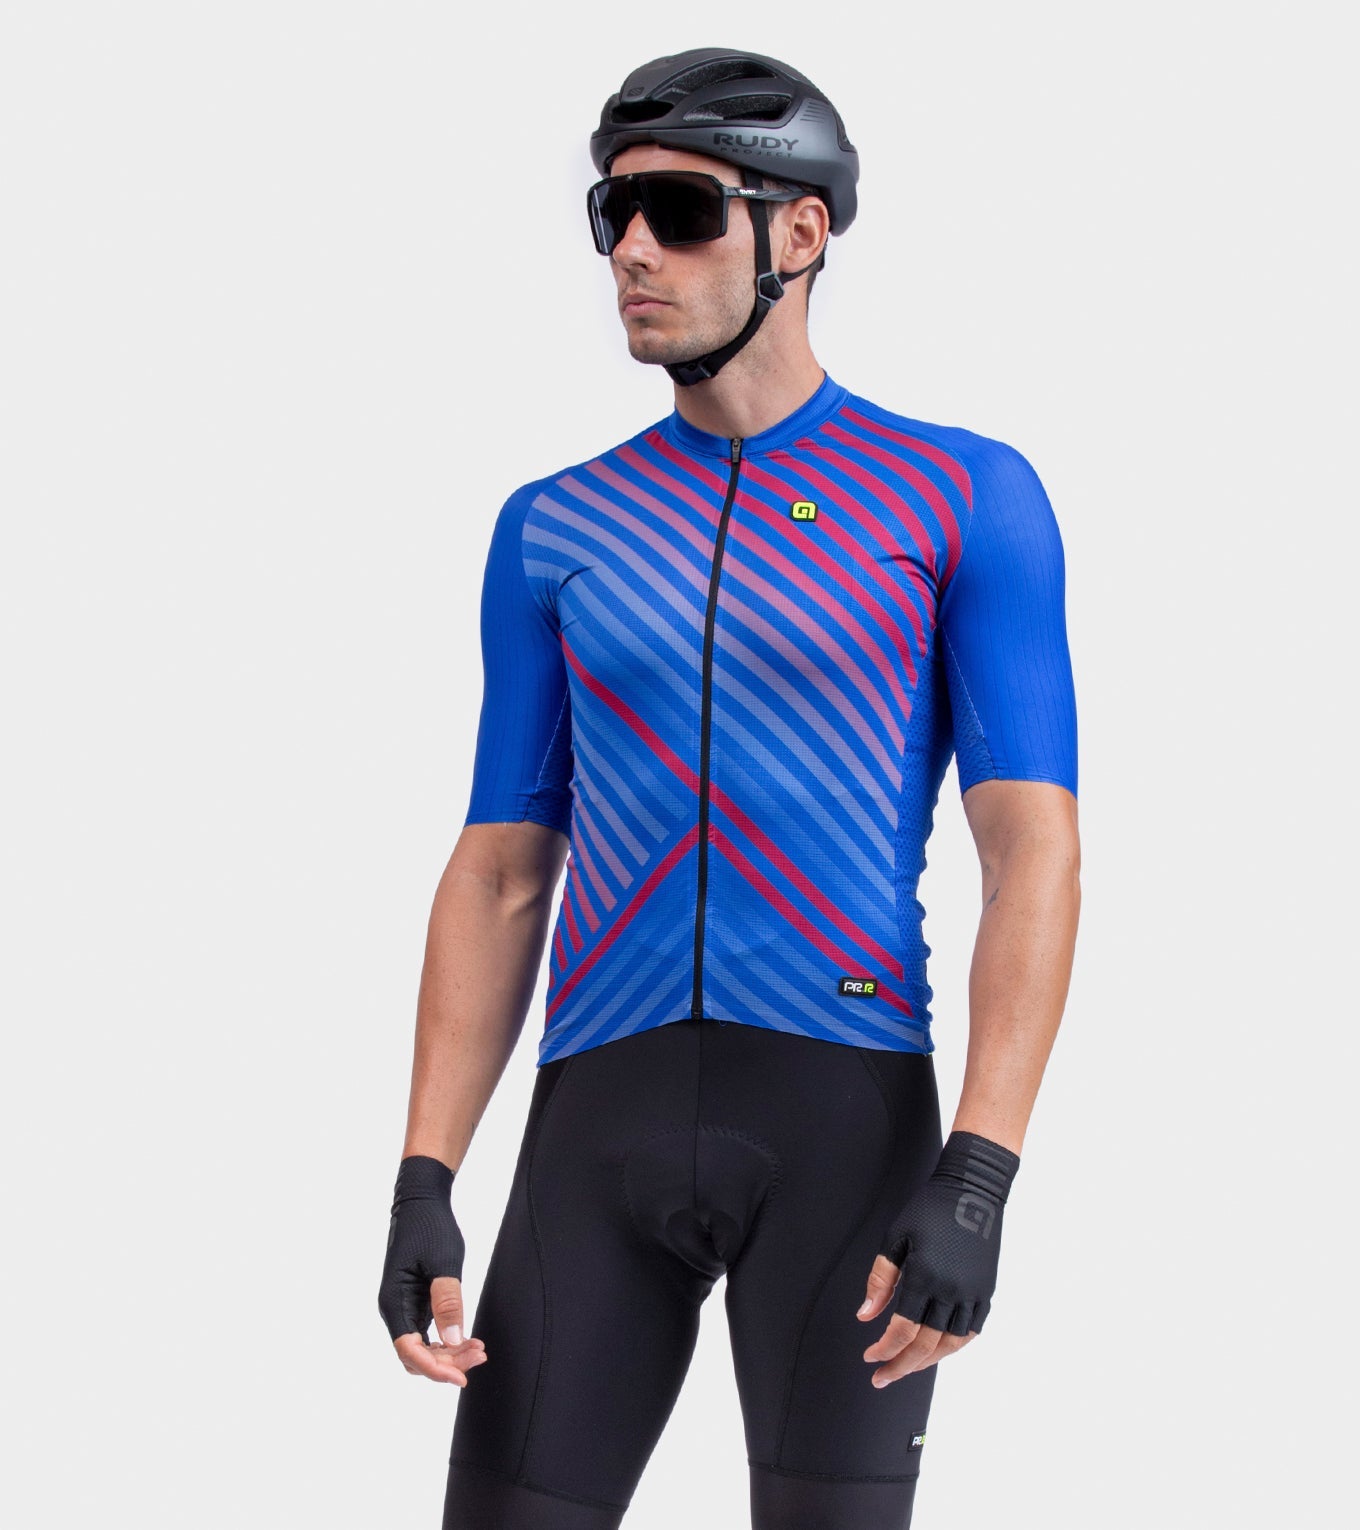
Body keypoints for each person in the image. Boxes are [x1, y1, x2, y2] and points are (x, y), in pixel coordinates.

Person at [378, 46, 1080, 1530]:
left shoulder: (961, 497)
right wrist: (424, 1175)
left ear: (800, 233)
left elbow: (1033, 851)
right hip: (597, 1116)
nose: (633, 250)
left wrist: (980, 1173)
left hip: (843, 1117)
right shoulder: (555, 526)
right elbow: (500, 868)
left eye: (683, 212)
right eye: (613, 214)